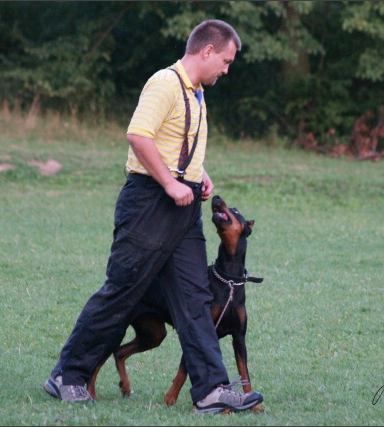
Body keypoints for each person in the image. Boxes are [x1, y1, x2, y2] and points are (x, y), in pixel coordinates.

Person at [44, 19, 263, 414]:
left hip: (184, 209)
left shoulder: (196, 94)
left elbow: (176, 144)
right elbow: (139, 135)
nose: (227, 70)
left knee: (196, 297)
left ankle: (211, 390)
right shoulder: (164, 83)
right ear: (208, 51)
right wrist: (170, 183)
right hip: (149, 203)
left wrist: (198, 176)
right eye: (226, 61)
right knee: (123, 290)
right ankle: (68, 375)